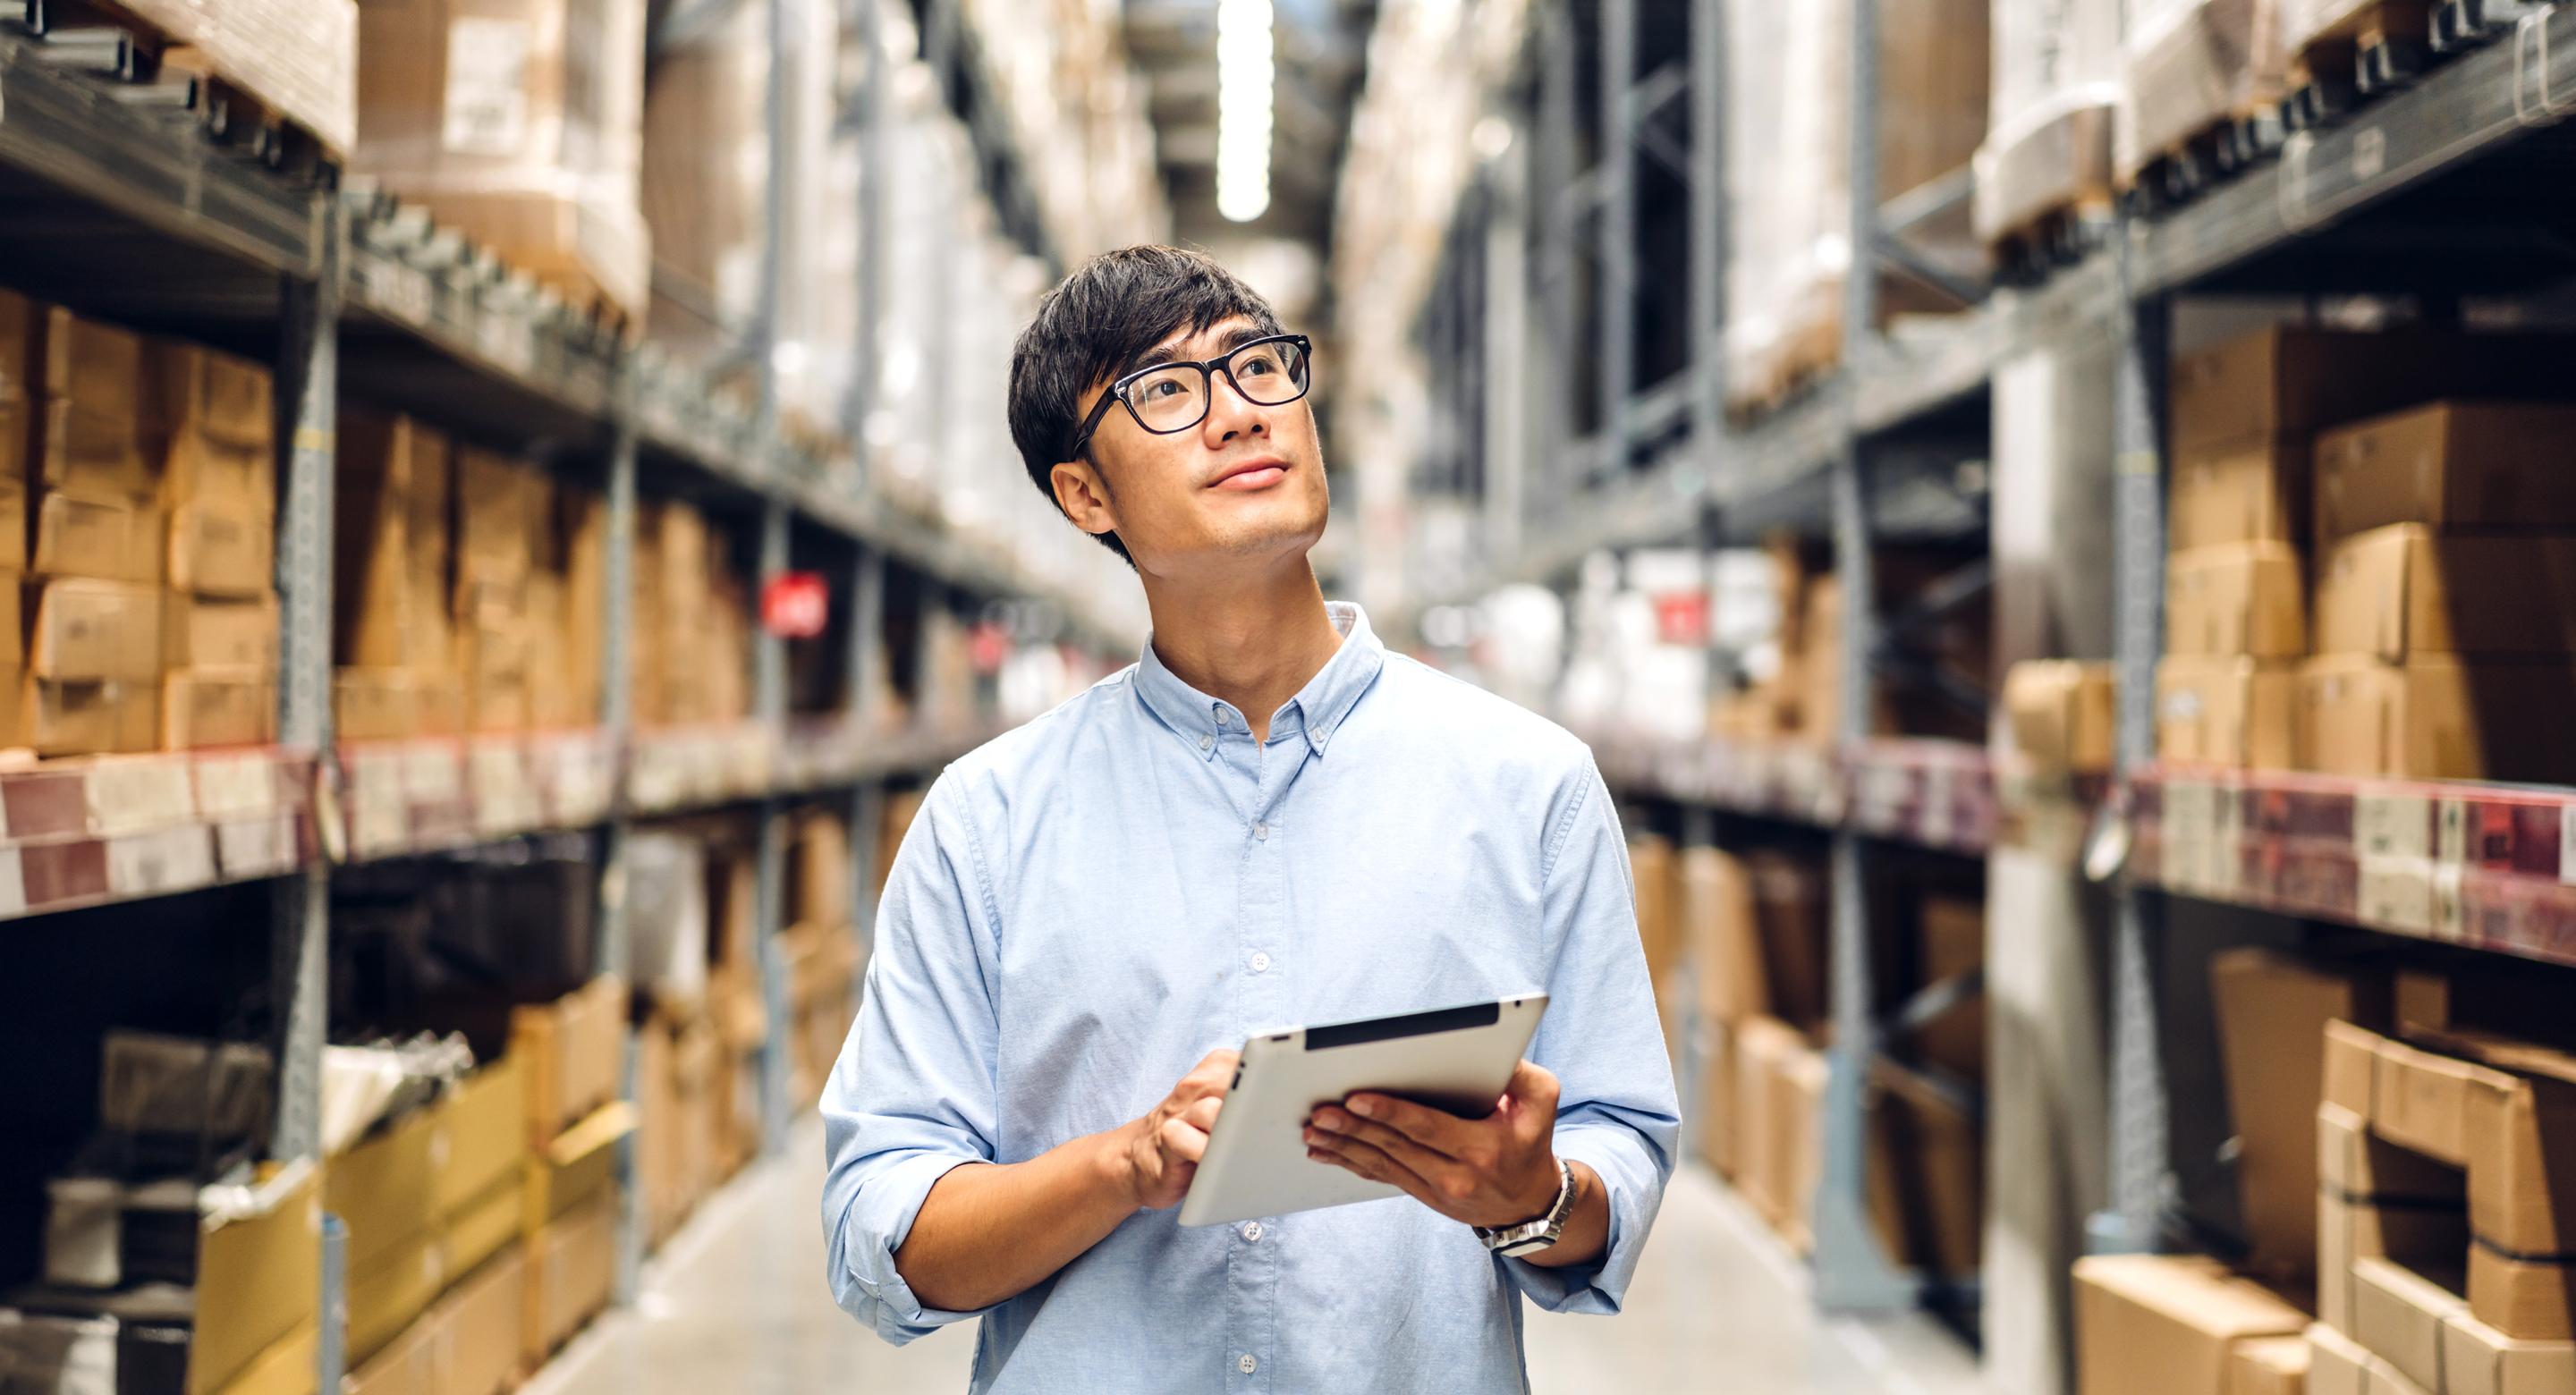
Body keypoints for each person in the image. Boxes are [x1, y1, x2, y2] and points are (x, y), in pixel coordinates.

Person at [821, 245, 1678, 1391]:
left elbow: (1617, 1145)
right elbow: (882, 1226)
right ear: (1085, 495)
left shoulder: (1529, 786)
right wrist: (1120, 1167)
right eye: (1166, 391)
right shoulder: (988, 822)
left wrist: (1535, 1199)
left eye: (1259, 369)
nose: (1237, 417)